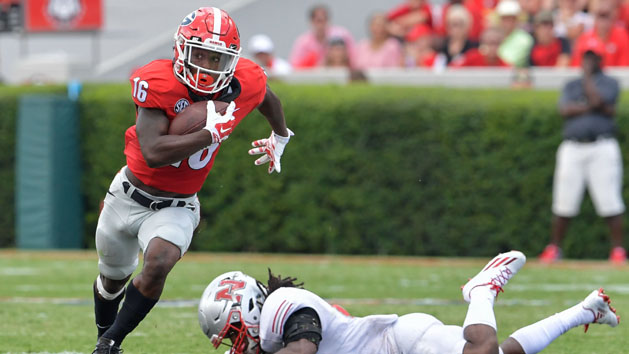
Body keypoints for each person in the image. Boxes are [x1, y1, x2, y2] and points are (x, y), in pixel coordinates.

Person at [91, 7, 293, 354]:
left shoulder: (245, 79)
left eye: (216, 58)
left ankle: (110, 343)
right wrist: (207, 135)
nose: (205, 64)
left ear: (231, 61)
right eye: (198, 53)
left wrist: (281, 134)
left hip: (178, 204)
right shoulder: (157, 81)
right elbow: (153, 151)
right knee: (112, 279)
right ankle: (103, 333)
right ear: (181, 49)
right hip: (127, 194)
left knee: (159, 262)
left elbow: (266, 96)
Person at [198, 251, 619, 354]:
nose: (237, 344)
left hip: (401, 342)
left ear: (249, 307)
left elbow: (305, 346)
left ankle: (482, 291)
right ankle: (587, 310)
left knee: (483, 352)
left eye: (233, 332)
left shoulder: (282, 305)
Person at [539, 49, 626, 265]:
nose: (587, 62)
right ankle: (555, 248)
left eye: (592, 58)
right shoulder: (571, 84)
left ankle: (617, 250)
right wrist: (590, 107)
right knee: (564, 200)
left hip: (602, 146)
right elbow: (565, 110)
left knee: (610, 200)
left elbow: (599, 101)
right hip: (573, 147)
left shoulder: (609, 82)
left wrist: (587, 83)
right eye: (585, 58)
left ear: (599, 60)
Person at [289, 4, 355, 69]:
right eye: (318, 21)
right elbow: (294, 67)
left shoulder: (342, 35)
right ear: (311, 22)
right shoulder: (302, 42)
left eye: (324, 20)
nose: (321, 25)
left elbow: (354, 60)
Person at [570, 0, 629, 67]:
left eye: (606, 16)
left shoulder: (622, 36)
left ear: (613, 16)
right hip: (591, 76)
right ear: (595, 17)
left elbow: (624, 67)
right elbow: (577, 65)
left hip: (615, 76)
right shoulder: (584, 38)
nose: (603, 21)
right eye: (600, 16)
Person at [494, 0, 534, 67]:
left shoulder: (525, 39)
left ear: (517, 20)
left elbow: (510, 61)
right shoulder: (493, 36)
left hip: (514, 76)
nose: (507, 23)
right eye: (504, 19)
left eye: (511, 19)